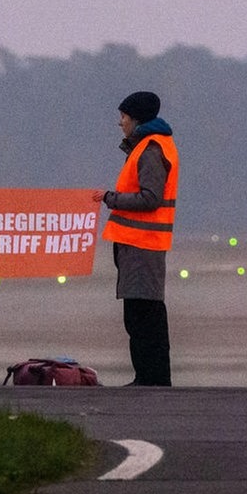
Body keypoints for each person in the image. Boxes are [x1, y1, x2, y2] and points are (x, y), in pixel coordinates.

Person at [91, 91, 177, 386]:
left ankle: (150, 379)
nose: (120, 123)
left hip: (143, 246)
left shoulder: (151, 149)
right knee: (142, 317)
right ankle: (150, 377)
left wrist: (109, 198)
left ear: (136, 119)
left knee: (143, 318)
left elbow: (150, 198)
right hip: (137, 246)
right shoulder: (145, 147)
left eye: (123, 117)